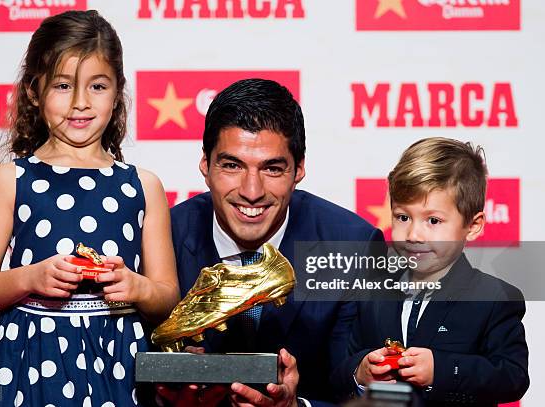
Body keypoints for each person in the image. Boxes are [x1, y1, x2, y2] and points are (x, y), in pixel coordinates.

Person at [0, 10, 179, 406]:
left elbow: (166, 294)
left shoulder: (143, 186)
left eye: (97, 86)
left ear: (118, 91)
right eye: (62, 85)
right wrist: (31, 278)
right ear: (33, 91)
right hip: (26, 359)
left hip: (119, 361)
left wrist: (137, 286)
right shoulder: (11, 179)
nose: (80, 103)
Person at [165, 78, 385, 407]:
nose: (251, 191)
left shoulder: (353, 246)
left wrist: (296, 406)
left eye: (272, 168)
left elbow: (359, 389)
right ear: (205, 165)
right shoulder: (161, 236)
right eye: (231, 165)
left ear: (298, 170)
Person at [332, 137, 529, 406]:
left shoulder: (495, 298)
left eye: (433, 220)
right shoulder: (371, 290)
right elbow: (339, 365)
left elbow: (512, 377)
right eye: (403, 217)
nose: (413, 234)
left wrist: (444, 370)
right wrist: (360, 371)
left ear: (473, 225)